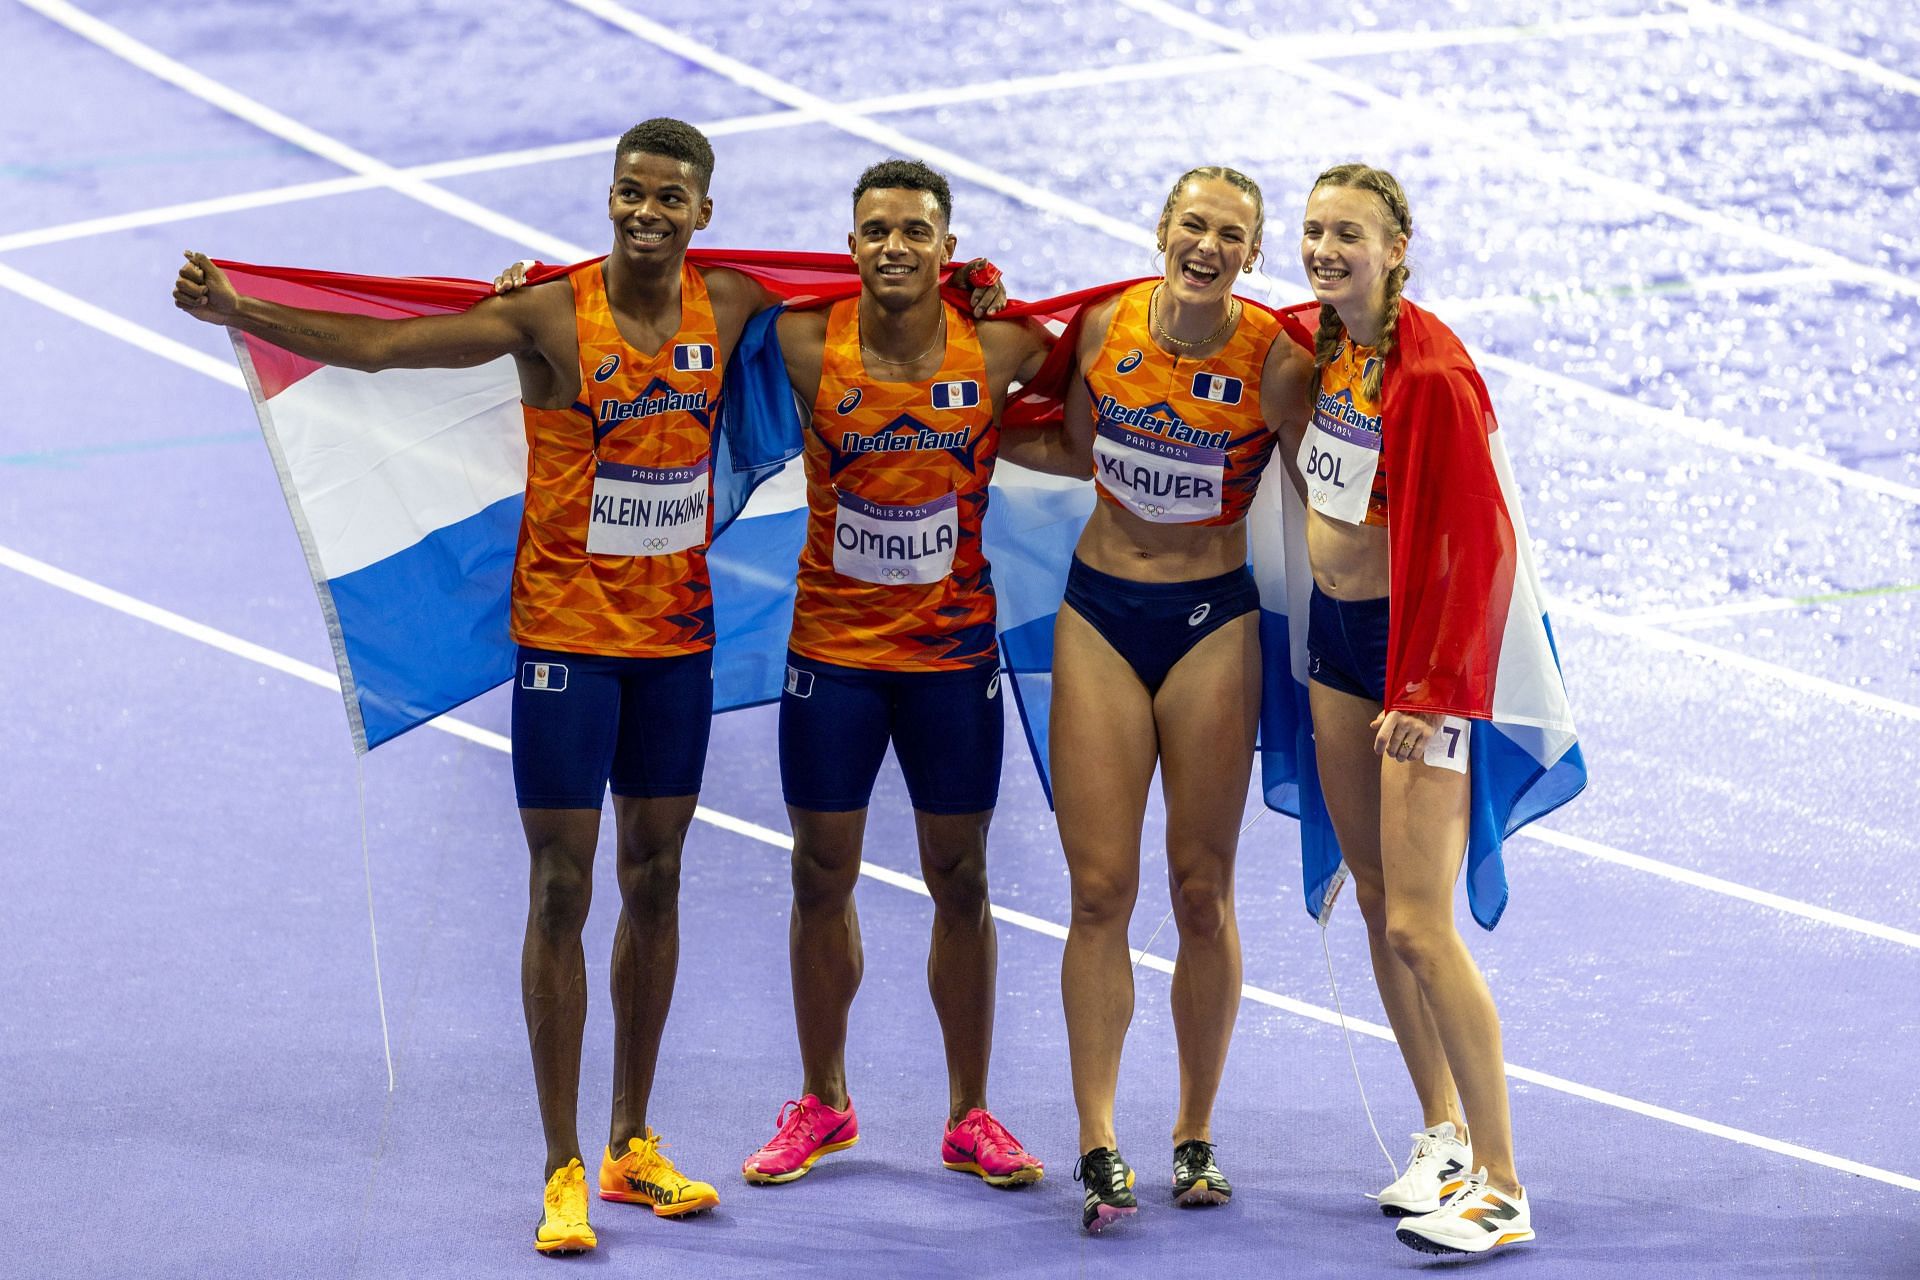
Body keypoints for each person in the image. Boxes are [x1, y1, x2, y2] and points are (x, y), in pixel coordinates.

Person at [172, 119, 1011, 1256]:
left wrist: (965, 279)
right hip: (567, 644)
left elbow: (868, 282)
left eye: (671, 198)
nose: (647, 212)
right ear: (610, 197)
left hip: (675, 645)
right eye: (631, 193)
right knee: (563, 886)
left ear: (703, 214)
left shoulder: (731, 301)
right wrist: (244, 310)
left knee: (656, 879)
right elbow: (388, 346)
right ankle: (561, 1161)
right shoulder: (551, 315)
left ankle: (630, 1140)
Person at [734, 159, 1066, 1191]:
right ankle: (823, 1100)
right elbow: (686, 300)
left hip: (951, 656)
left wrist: (1005, 300)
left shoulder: (1001, 345)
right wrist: (546, 276)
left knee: (960, 877)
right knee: (817, 872)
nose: (894, 246)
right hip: (833, 656)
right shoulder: (800, 340)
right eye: (876, 229)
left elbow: (1098, 358)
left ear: (946, 248)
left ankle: (969, 1112)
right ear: (850, 246)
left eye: (915, 231)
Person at [1045, 167, 1315, 1232]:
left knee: (1201, 889)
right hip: (1101, 615)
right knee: (1099, 889)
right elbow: (1065, 443)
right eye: (1193, 224)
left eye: (1232, 235)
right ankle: (1098, 1137)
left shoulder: (1276, 361)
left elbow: (1325, 484)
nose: (1207, 245)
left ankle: (1194, 1128)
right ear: (1161, 228)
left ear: (1253, 257)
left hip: (1214, 624)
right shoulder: (1102, 326)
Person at [1286, 162, 1534, 1257]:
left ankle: (1504, 1179)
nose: (1327, 247)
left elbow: (1480, 550)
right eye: (1314, 231)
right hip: (1337, 645)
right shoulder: (1334, 344)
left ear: (1397, 247)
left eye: (1350, 234)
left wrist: (1428, 687)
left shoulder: (1429, 373)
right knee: (1378, 889)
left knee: (1420, 924)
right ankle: (1440, 1132)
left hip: (1412, 661)